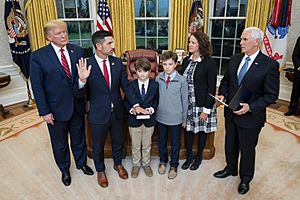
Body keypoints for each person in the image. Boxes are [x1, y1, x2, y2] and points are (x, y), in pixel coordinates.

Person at [213, 27, 279, 195]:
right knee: (230, 144)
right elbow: (227, 81)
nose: (240, 42)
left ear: (256, 42)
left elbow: (271, 95)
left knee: (247, 149)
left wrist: (251, 107)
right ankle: (230, 168)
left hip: (251, 117)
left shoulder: (270, 65)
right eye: (241, 39)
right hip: (231, 113)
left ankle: (246, 178)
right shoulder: (235, 59)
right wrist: (222, 94)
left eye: (244, 39)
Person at [30, 19, 93, 187]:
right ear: (49, 37)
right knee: (60, 143)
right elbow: (37, 86)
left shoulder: (78, 51)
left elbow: (83, 80)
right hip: (55, 109)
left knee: (79, 139)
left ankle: (81, 163)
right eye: (59, 33)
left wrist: (81, 81)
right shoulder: (38, 56)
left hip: (77, 105)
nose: (64, 35)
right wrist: (44, 111)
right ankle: (64, 169)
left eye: (64, 31)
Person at [76, 30, 138, 188]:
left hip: (117, 111)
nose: (113, 46)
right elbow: (78, 93)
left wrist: (136, 104)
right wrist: (82, 80)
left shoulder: (117, 62)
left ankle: (118, 164)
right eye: (109, 43)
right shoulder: (86, 64)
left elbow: (126, 86)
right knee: (98, 145)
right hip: (97, 113)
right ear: (98, 45)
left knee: (118, 141)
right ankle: (100, 170)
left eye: (113, 42)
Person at [181, 31, 218, 171]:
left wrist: (206, 110)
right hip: (188, 103)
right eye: (189, 42)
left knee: (202, 131)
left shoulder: (209, 63)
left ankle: (199, 157)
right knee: (188, 131)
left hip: (202, 104)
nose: (190, 45)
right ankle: (189, 156)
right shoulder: (186, 61)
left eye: (193, 42)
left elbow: (211, 88)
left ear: (201, 44)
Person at [124, 58, 159, 178]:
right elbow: (126, 102)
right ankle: (136, 164)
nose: (142, 74)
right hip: (134, 121)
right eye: (139, 71)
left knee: (147, 144)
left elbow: (156, 102)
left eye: (145, 71)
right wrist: (132, 109)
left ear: (150, 71)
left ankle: (146, 164)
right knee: (135, 145)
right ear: (135, 72)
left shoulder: (155, 85)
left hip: (149, 121)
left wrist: (151, 110)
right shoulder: (131, 85)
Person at [156, 51, 188, 179]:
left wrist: (184, 118)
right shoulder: (158, 78)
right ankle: (163, 161)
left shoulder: (181, 80)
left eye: (170, 64)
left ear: (175, 64)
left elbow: (185, 101)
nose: (167, 67)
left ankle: (174, 165)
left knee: (175, 143)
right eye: (164, 64)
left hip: (176, 118)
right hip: (160, 117)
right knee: (161, 141)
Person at [284, 36, 300, 116]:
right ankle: (292, 109)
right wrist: (298, 67)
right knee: (295, 92)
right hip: (299, 72)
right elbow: (295, 55)